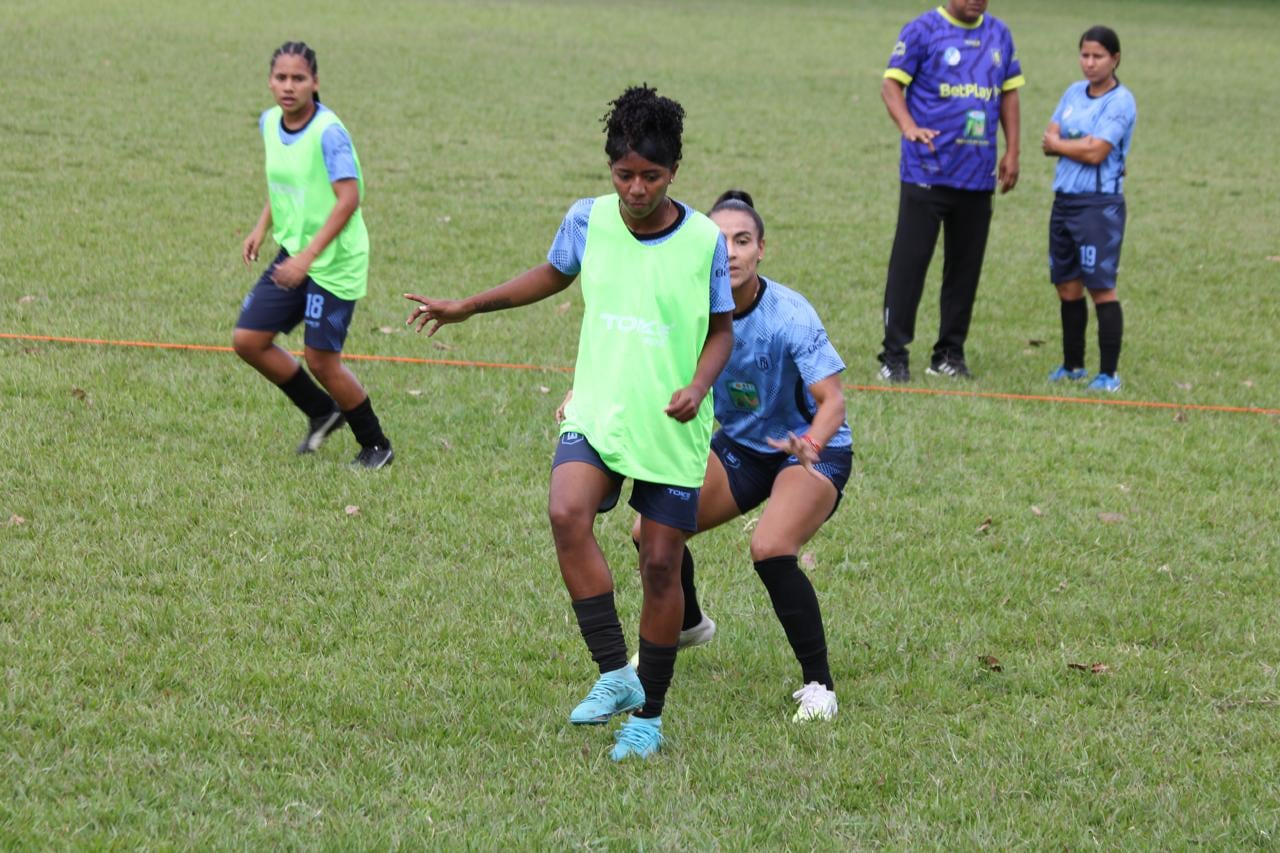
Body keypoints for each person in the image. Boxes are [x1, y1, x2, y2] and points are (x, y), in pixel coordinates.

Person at [403, 86, 734, 761]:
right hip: (600, 408)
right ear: (609, 168)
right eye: (624, 175)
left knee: (662, 566)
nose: (636, 189)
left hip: (670, 423)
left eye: (651, 176)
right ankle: (616, 673)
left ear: (674, 172)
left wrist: (699, 385)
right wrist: (469, 305)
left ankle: (651, 713)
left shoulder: (703, 240)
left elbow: (721, 330)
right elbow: (550, 275)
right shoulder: (588, 220)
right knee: (565, 512)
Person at [623, 190, 854, 722]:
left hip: (810, 453)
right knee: (649, 533)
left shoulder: (789, 315)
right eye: (719, 240)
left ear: (761, 250)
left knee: (770, 547)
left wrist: (809, 445)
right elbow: (636, 360)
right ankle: (688, 626)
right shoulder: (689, 308)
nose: (729, 252)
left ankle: (820, 685)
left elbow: (832, 402)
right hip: (741, 448)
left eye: (742, 241)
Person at [233, 41, 393, 469]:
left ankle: (376, 444)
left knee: (322, 359)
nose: (289, 87)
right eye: (281, 78)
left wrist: (307, 258)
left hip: (333, 261)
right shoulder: (270, 122)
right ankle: (323, 411)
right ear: (270, 81)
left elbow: (348, 198)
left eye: (298, 78)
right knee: (248, 340)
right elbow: (286, 180)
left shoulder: (329, 132)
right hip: (295, 254)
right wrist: (261, 226)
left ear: (315, 83)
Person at [877, 0, 1024, 382]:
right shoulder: (922, 30)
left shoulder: (999, 34)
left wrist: (1013, 150)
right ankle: (893, 357)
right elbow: (891, 84)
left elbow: (1009, 93)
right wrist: (908, 125)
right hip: (926, 169)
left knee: (965, 268)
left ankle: (949, 354)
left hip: (977, 174)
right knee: (910, 265)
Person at [1041, 26, 1136, 392]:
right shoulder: (1071, 93)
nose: (1090, 63)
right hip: (1064, 201)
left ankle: (1109, 374)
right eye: (1084, 55)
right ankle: (1072, 365)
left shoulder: (1121, 101)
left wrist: (1066, 143)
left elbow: (1098, 152)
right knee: (1066, 285)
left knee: (1100, 287)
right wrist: (1076, 143)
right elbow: (1048, 139)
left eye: (1098, 56)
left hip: (1099, 206)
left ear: (1115, 59)